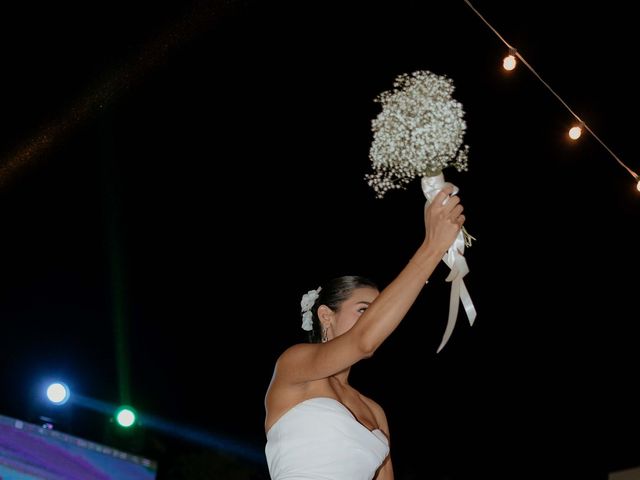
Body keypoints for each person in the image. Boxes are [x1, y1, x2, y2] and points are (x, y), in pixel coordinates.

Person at [264, 185, 465, 480]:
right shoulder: (295, 366)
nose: (374, 319)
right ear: (325, 316)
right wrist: (433, 248)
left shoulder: (375, 412)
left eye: (377, 311)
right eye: (363, 309)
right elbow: (363, 341)